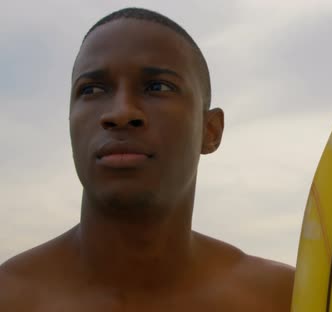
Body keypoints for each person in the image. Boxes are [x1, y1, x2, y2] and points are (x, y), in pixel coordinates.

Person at [0, 7, 294, 311]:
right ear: (70, 123)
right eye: (92, 89)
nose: (121, 112)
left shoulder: (285, 299)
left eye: (158, 87)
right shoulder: (9, 297)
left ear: (210, 131)